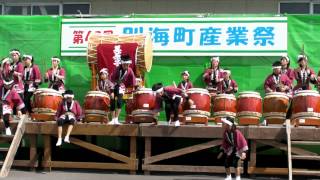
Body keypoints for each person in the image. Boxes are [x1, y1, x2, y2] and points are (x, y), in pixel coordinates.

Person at [109, 55, 136, 125]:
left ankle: (116, 119)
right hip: (112, 85)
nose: (126, 66)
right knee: (112, 102)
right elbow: (111, 80)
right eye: (125, 64)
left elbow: (133, 82)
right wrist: (111, 92)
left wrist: (130, 91)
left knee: (119, 102)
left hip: (120, 86)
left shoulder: (130, 71)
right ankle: (112, 119)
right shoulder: (117, 69)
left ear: (129, 64)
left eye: (127, 64)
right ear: (122, 64)